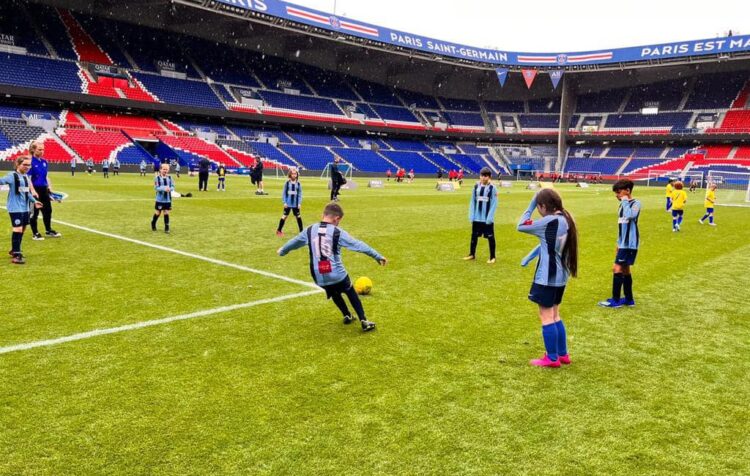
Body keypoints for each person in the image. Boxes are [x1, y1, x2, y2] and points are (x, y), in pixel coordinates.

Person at [277, 202, 386, 332]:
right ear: (337, 218)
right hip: (337, 274)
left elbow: (293, 243)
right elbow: (358, 245)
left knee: (333, 290)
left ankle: (347, 315)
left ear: (323, 215)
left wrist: (282, 251)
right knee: (350, 290)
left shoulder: (310, 230)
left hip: (318, 276)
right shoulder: (337, 232)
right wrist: (377, 256)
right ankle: (364, 320)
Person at [517, 189, 578, 367]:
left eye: (538, 207)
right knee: (555, 314)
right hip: (561, 276)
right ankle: (562, 354)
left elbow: (521, 225)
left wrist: (530, 205)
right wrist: (530, 255)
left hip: (547, 277)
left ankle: (551, 358)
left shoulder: (548, 221)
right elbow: (548, 243)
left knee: (546, 316)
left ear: (543, 206)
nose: (538, 210)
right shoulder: (567, 218)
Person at [599, 179, 641, 308]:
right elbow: (621, 225)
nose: (617, 195)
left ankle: (615, 300)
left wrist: (624, 200)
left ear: (627, 191)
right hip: (623, 243)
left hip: (630, 244)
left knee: (616, 268)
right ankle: (629, 299)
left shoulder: (635, 203)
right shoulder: (622, 205)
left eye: (619, 192)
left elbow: (629, 216)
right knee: (626, 270)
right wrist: (618, 242)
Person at [1, 156, 42, 264]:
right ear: (18, 164)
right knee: (18, 229)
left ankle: (14, 248)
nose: (27, 167)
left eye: (29, 165)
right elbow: (2, 181)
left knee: (23, 229)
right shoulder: (12, 176)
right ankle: (17, 254)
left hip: (25, 208)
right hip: (15, 208)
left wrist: (34, 201)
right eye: (25, 165)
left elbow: (26, 192)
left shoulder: (26, 177)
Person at [28, 141, 62, 240]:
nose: (42, 151)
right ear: (33, 149)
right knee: (34, 212)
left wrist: (49, 187)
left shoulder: (44, 162)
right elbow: (28, 178)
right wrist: (33, 191)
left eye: (43, 149)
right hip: (34, 190)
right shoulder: (30, 162)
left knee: (48, 210)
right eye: (39, 149)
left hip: (44, 190)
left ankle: (48, 230)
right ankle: (35, 233)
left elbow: (46, 176)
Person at [464, 167, 498, 264]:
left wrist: (490, 217)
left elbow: (494, 203)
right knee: (474, 236)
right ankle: (472, 254)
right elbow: (472, 202)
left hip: (487, 218)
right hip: (477, 218)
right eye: (482, 175)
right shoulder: (476, 187)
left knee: (491, 237)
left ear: (489, 177)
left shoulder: (492, 188)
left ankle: (492, 257)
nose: (483, 178)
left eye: (486, 176)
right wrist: (471, 215)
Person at [276, 168, 303, 236]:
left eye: (295, 174)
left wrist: (299, 203)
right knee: (285, 216)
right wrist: (284, 202)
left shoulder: (298, 184)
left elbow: (300, 194)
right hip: (288, 204)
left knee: (298, 216)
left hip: (296, 204)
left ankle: (301, 231)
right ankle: (279, 230)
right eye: (293, 174)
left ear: (297, 175)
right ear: (290, 174)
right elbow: (284, 193)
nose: (294, 175)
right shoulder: (287, 183)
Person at [151, 163, 174, 234]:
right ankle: (153, 223)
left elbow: (173, 187)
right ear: (160, 170)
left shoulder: (170, 178)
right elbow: (156, 188)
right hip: (160, 199)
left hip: (167, 199)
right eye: (164, 169)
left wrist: (169, 189)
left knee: (166, 212)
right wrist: (164, 189)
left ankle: (167, 227)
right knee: (158, 213)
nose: (165, 171)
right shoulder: (157, 178)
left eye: (167, 169)